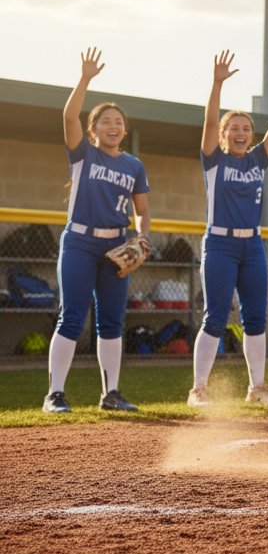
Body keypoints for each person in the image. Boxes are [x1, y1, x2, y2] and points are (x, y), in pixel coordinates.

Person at [44, 48, 151, 414]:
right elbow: (68, 115)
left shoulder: (134, 165)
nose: (113, 125)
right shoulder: (83, 154)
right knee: (72, 315)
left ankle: (111, 394)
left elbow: (143, 210)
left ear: (124, 129)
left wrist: (142, 238)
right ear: (94, 129)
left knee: (112, 321)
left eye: (118, 121)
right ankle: (55, 394)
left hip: (116, 246)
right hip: (79, 243)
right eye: (105, 120)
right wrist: (86, 78)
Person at [188, 50, 268, 407]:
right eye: (233, 128)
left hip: (252, 247)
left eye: (246, 128)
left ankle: (257, 387)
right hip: (219, 244)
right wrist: (217, 83)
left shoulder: (257, 158)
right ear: (223, 134)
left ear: (252, 135)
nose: (240, 132)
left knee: (255, 318)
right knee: (216, 315)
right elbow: (207, 124)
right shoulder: (214, 160)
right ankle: (199, 389)